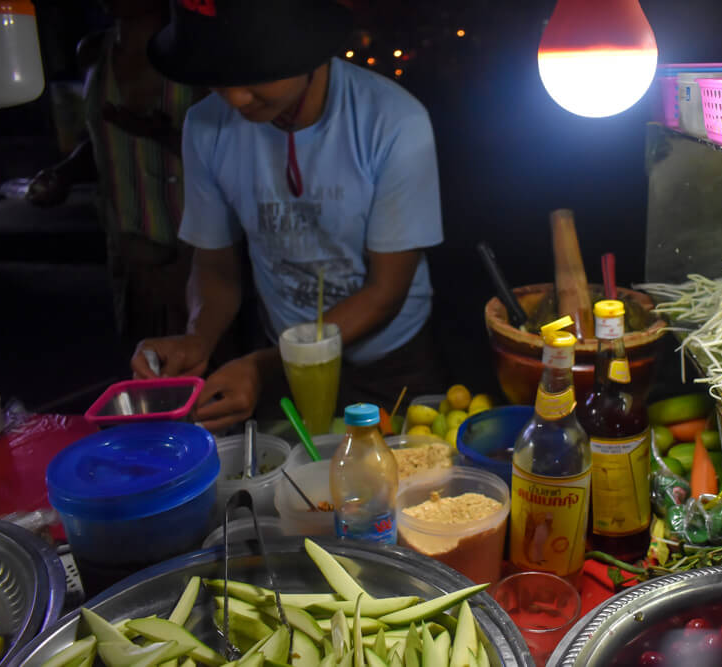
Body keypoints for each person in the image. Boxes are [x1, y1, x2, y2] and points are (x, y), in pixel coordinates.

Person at [132, 0, 446, 432]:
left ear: (309, 52)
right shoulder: (205, 126)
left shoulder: (394, 122)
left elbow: (384, 291)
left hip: (387, 362)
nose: (237, 98)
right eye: (219, 79)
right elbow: (216, 272)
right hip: (280, 358)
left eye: (255, 74)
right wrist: (197, 338)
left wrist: (264, 366)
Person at [27, 0, 207, 353]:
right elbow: (97, 140)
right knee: (146, 368)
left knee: (206, 360)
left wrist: (163, 135)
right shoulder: (94, 53)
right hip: (130, 250)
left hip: (198, 250)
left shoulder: (196, 55)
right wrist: (62, 174)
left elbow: (233, 149)